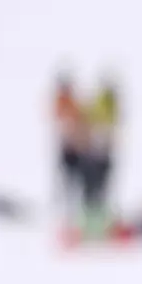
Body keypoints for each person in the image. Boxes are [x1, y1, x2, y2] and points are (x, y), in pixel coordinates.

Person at [80, 78, 121, 218]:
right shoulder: (100, 105)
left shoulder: (111, 105)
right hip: (93, 153)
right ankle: (89, 214)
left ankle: (97, 213)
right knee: (91, 187)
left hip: (102, 153)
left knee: (100, 187)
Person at [52, 74, 86, 214]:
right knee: (65, 181)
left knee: (75, 181)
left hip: (75, 149)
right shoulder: (61, 102)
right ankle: (65, 210)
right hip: (66, 148)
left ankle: (74, 210)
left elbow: (79, 124)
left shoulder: (73, 103)